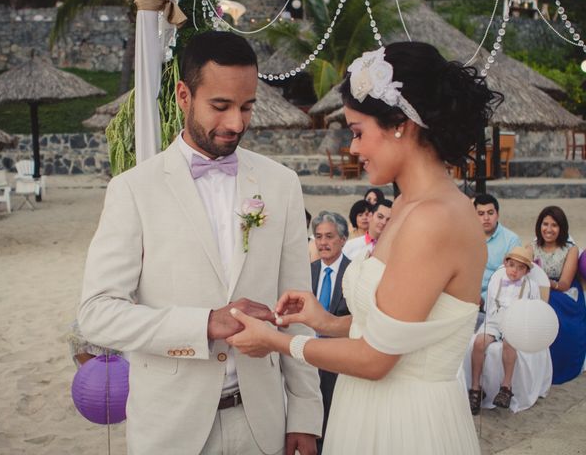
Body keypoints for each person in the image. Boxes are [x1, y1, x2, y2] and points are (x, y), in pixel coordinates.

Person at [226, 42, 502, 454]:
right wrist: (325, 321)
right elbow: (398, 327)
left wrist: (277, 342)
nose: (353, 149)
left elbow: (376, 359)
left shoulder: (434, 218)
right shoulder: (408, 204)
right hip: (374, 406)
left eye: (357, 132)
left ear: (399, 125)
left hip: (405, 422)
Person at [78, 31, 322, 455]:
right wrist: (206, 322)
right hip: (169, 429)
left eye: (247, 107)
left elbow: (296, 308)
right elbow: (97, 314)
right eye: (220, 106)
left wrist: (303, 412)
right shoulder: (133, 189)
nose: (235, 124)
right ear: (184, 95)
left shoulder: (282, 184)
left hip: (263, 422)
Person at [468, 247, 541, 414]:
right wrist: (492, 324)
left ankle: (506, 387)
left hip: (516, 322)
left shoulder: (531, 286)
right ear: (505, 263)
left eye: (520, 268)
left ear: (527, 271)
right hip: (495, 318)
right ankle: (475, 387)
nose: (514, 271)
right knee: (479, 343)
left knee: (510, 343)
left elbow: (535, 310)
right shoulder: (496, 279)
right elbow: (489, 306)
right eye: (512, 265)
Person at [527, 206, 586, 384]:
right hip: (537, 289)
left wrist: (544, 281)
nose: (549, 229)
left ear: (561, 228)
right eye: (545, 224)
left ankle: (559, 364)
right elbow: (525, 271)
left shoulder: (570, 249)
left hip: (563, 292)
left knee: (550, 304)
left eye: (554, 225)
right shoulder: (531, 247)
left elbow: (565, 283)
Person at [309, 211, 351, 454]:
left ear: (343, 239)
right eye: (318, 237)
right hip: (306, 354)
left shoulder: (354, 273)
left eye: (329, 236)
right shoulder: (307, 272)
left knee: (331, 418)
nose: (323, 243)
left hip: (337, 359)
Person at [474, 193, 521, 302]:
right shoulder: (467, 237)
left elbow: (514, 279)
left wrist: (484, 299)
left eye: (490, 213)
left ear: (498, 214)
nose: (486, 218)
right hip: (468, 295)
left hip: (498, 297)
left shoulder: (511, 240)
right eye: (480, 214)